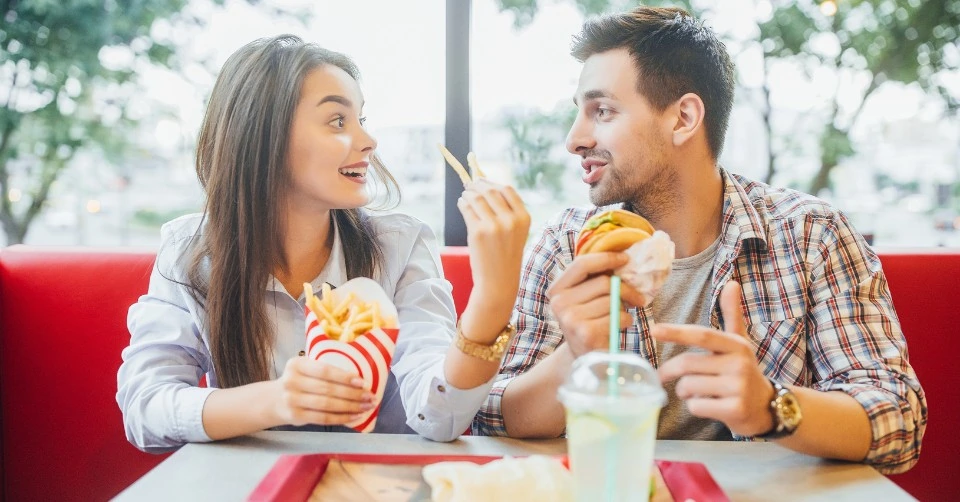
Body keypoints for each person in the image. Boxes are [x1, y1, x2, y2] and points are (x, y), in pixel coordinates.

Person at [473, 7, 926, 474]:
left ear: (684, 117)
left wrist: (770, 406)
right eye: (579, 114)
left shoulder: (812, 234)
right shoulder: (567, 244)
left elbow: (898, 419)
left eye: (601, 111)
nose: (574, 139)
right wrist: (575, 356)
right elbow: (490, 416)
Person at [117, 35, 529, 452]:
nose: (369, 141)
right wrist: (276, 401)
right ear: (263, 136)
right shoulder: (190, 251)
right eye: (338, 121)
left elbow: (441, 417)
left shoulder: (400, 245)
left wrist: (493, 299)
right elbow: (145, 410)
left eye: (362, 119)